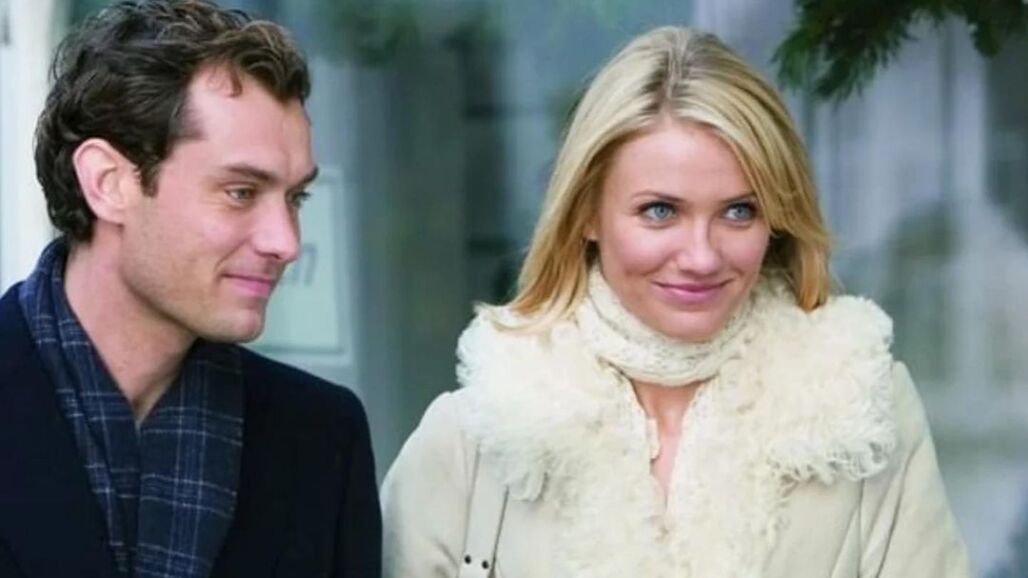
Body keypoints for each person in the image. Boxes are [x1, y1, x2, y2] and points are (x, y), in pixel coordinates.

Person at [381, 26, 969, 577]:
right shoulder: (476, 432)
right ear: (586, 214)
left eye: (739, 211)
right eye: (660, 211)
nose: (702, 256)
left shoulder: (862, 408)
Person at [0, 2, 380, 577]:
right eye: (240, 192)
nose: (286, 242)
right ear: (108, 183)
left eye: (294, 198)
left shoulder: (321, 439)